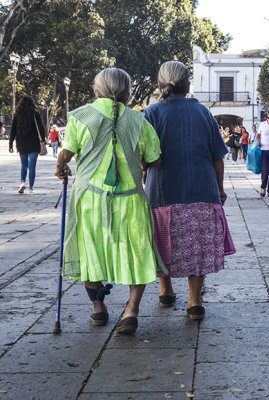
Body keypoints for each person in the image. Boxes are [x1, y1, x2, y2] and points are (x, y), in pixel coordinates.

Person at [55, 68, 167, 335]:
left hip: (91, 202)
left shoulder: (81, 117)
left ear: (98, 90)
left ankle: (98, 309)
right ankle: (131, 312)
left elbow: (66, 153)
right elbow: (156, 159)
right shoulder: (140, 121)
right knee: (137, 255)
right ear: (127, 92)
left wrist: (60, 166)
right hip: (130, 202)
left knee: (89, 253)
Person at [144, 61, 235, 321]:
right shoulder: (203, 113)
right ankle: (194, 300)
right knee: (197, 245)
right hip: (202, 190)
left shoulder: (151, 113)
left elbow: (144, 155)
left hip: (162, 192)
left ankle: (165, 290)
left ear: (160, 86)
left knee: (161, 241)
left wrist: (143, 172)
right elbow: (218, 156)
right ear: (188, 86)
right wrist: (219, 189)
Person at [9, 95, 45, 194]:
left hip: (21, 143)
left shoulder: (17, 115)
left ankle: (22, 183)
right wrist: (43, 140)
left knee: (24, 165)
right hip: (34, 143)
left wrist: (11, 143)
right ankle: (31, 188)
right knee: (32, 166)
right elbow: (41, 129)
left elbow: (13, 130)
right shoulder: (35, 114)